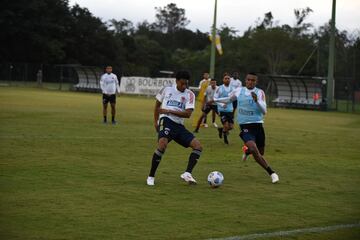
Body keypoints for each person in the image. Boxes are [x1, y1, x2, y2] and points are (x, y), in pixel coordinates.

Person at [214, 72, 279, 183]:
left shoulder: (259, 92)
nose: (250, 82)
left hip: (258, 126)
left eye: (253, 80)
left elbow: (264, 111)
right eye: (248, 80)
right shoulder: (239, 90)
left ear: (256, 82)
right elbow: (229, 99)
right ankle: (272, 173)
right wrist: (215, 100)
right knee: (255, 150)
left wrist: (257, 101)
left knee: (260, 153)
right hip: (245, 126)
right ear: (245, 80)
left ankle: (247, 151)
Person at [146, 70, 202, 186]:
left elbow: (188, 114)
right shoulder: (167, 89)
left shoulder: (189, 94)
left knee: (198, 146)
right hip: (166, 120)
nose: (184, 86)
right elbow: (157, 105)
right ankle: (151, 176)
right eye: (182, 83)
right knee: (162, 145)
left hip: (179, 126)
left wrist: (169, 110)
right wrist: (156, 121)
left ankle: (187, 173)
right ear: (176, 81)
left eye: (186, 83)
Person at [214, 73, 235, 144]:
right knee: (226, 125)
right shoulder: (219, 88)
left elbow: (233, 98)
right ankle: (225, 138)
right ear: (223, 80)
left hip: (230, 110)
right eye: (225, 78)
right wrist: (221, 104)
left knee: (231, 127)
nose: (227, 80)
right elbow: (215, 99)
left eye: (228, 78)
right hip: (222, 110)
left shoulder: (232, 89)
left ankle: (221, 130)